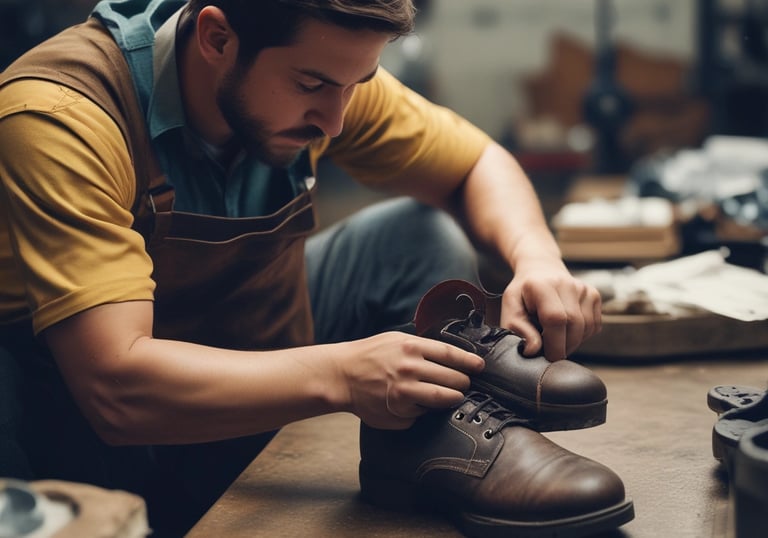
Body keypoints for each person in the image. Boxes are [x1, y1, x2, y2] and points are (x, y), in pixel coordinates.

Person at [0, 0, 604, 535]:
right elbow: (113, 386)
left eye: (354, 84)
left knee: (413, 236)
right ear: (216, 37)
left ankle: (423, 444)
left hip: (234, 338)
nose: (335, 121)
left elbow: (476, 164)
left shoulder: (320, 72)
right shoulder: (60, 117)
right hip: (73, 407)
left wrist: (536, 257)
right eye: (312, 84)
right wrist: (341, 376)